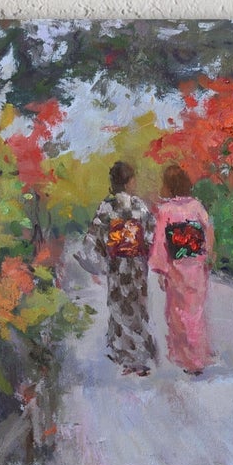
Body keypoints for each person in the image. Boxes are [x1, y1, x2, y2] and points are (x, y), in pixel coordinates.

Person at [80, 160, 156, 376]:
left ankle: (124, 353)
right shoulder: (139, 205)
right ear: (129, 182)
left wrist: (101, 258)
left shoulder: (107, 206)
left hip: (116, 265)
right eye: (133, 179)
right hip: (137, 265)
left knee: (119, 308)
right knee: (138, 307)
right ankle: (140, 355)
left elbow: (95, 235)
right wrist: (145, 250)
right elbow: (151, 232)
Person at [150, 164, 215, 375]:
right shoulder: (197, 206)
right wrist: (208, 255)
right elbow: (208, 231)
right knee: (195, 311)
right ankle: (198, 354)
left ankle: (186, 357)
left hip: (176, 267)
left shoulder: (166, 210)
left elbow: (160, 242)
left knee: (177, 313)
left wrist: (160, 270)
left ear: (168, 186)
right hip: (196, 265)